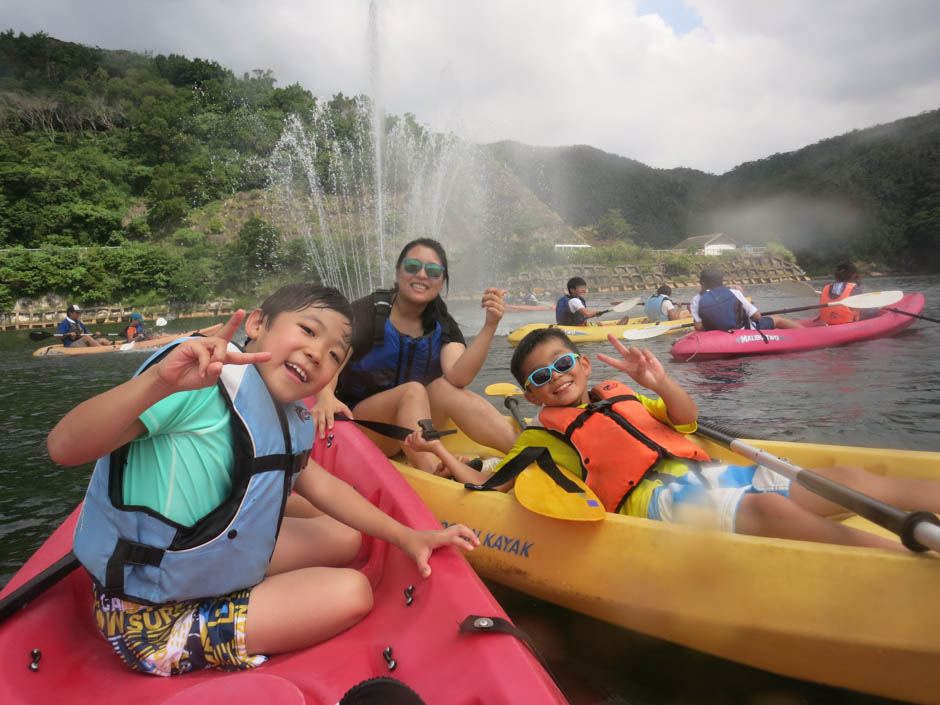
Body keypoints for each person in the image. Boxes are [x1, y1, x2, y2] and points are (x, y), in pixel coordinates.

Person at [46, 284, 479, 677]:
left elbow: (326, 488)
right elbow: (63, 448)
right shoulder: (192, 386)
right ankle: (207, 625)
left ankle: (242, 586)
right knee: (352, 592)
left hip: (203, 562)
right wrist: (158, 383)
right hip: (150, 618)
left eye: (334, 354)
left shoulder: (289, 418)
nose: (316, 353)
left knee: (345, 537)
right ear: (256, 324)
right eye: (308, 331)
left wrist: (409, 536)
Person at [406, 326, 940, 552]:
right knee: (773, 515)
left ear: (583, 363)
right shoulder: (542, 441)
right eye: (540, 379)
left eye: (562, 364)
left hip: (713, 474)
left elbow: (685, 420)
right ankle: (896, 564)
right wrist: (441, 454)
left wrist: (658, 382)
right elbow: (489, 485)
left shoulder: (626, 395)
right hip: (663, 502)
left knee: (848, 482)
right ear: (533, 395)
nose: (556, 378)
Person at [311, 238, 517, 474]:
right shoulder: (368, 313)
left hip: (415, 430)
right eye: (412, 267)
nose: (421, 275)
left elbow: (459, 377)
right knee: (413, 390)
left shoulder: (440, 321)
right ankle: (434, 472)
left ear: (442, 281)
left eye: (432, 271)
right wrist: (325, 397)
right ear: (398, 272)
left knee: (444, 387)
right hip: (362, 427)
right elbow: (331, 356)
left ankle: (529, 450)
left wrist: (490, 325)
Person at [690, 268, 802, 332]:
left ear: (702, 283)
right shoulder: (734, 292)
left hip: (715, 334)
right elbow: (756, 316)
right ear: (721, 282)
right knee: (777, 320)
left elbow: (699, 327)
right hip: (743, 331)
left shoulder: (696, 300)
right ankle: (807, 333)